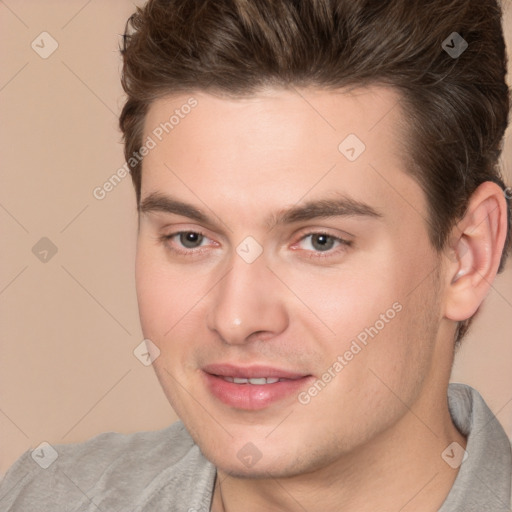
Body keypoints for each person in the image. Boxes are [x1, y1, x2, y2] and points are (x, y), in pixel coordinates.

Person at [1, 0, 511, 510]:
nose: (236, 318)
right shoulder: (47, 496)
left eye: (320, 241)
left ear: (467, 256)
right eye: (191, 238)